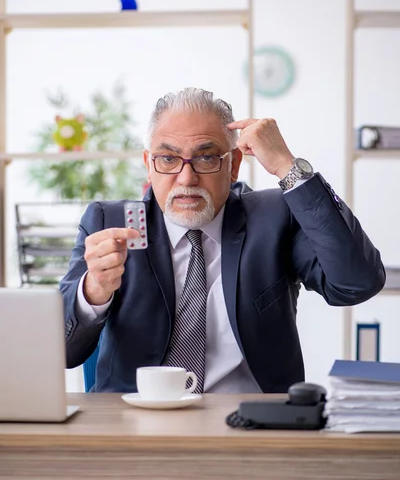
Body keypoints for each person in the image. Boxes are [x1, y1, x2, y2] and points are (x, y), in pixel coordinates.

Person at [61, 87, 385, 393]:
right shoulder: (109, 224)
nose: (186, 178)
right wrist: (93, 292)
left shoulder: (274, 217)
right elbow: (60, 352)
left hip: (251, 427)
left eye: (206, 158)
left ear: (233, 165)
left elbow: (357, 283)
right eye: (169, 159)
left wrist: (289, 168)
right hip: (136, 427)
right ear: (149, 166)